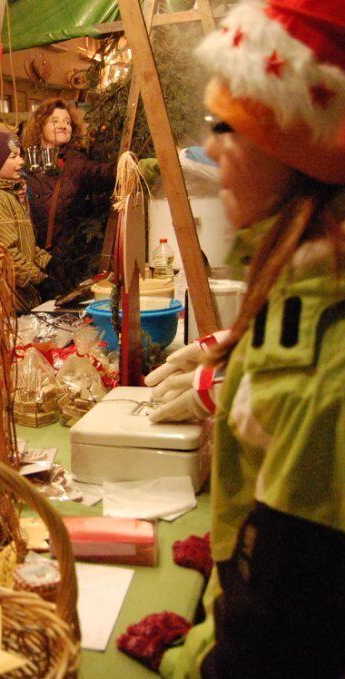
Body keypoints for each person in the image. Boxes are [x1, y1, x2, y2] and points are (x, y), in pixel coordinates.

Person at [131, 1, 345, 676]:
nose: (210, 144)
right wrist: (227, 360)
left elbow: (283, 626)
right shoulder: (301, 272)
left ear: (298, 147)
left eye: (231, 126)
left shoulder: (329, 379)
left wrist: (193, 663)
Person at [21, 98, 116, 298]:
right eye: (55, 121)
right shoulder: (22, 163)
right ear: (39, 126)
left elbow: (99, 173)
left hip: (62, 263)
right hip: (25, 259)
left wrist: (129, 167)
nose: (63, 125)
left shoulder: (74, 162)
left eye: (67, 121)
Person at [0, 132, 50, 313]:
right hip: (10, 299)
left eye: (20, 155)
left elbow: (23, 244)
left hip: (21, 293)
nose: (21, 162)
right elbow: (5, 254)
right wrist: (39, 278)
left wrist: (48, 262)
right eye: (13, 156)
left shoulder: (8, 194)